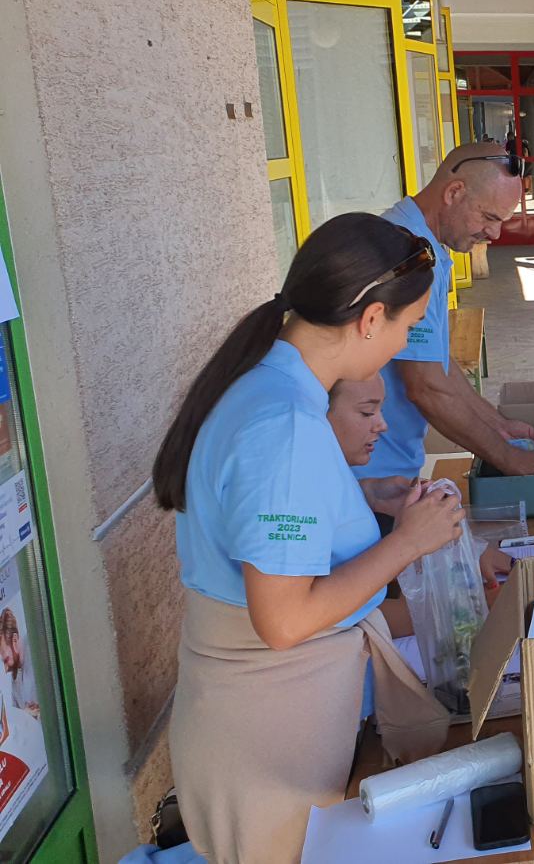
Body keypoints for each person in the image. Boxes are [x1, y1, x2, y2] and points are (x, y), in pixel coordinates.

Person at [155, 213, 463, 863]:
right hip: (267, 746)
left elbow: (263, 521)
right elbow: (284, 620)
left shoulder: (266, 387)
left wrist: (359, 499)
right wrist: (409, 541)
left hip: (265, 728)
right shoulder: (286, 425)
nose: (403, 345)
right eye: (409, 326)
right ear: (371, 319)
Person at [355, 142, 534, 526]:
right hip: (369, 480)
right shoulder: (408, 254)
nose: (495, 233)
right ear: (454, 192)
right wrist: (508, 458)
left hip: (387, 469)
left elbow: (437, 365)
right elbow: (426, 386)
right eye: (489, 217)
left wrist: (499, 427)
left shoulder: (423, 244)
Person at [0, 609, 37, 719]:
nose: (6, 669)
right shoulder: (15, 676)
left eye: (6, 660)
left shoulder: (36, 647)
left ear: (15, 640)